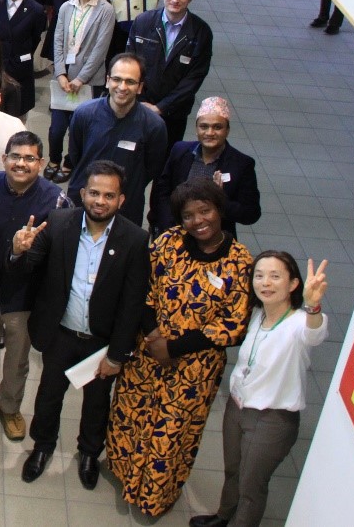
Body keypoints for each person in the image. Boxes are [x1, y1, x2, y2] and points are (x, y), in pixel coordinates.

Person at [106, 179, 254, 517]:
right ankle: (123, 474)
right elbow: (144, 287)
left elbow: (233, 326)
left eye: (205, 211)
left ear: (220, 210)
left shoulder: (240, 261)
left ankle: (153, 497)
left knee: (171, 433)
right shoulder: (168, 242)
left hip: (193, 369)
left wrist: (175, 347)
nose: (198, 221)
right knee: (131, 415)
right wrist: (155, 335)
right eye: (188, 215)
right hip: (148, 351)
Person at [16, 160, 150, 490]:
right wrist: (20, 250)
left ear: (122, 199)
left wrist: (118, 355)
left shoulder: (134, 239)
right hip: (60, 334)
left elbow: (133, 303)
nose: (99, 201)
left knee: (96, 403)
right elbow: (32, 266)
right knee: (48, 397)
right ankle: (42, 446)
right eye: (93, 193)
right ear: (82, 193)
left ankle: (89, 453)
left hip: (101, 343)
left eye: (108, 195)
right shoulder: (59, 222)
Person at [191, 252, 329, 527]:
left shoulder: (298, 324)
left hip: (271, 418)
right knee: (233, 470)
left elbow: (315, 333)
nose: (265, 282)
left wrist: (313, 306)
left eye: (275, 276)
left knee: (251, 486)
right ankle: (224, 515)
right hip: (238, 407)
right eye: (259, 275)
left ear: (292, 284)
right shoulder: (257, 314)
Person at [0, 131, 71, 439]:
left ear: (42, 162)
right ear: (4, 158)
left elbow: (60, 255)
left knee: (17, 358)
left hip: (26, 296)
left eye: (29, 158)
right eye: (15, 157)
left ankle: (9, 407)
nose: (21, 164)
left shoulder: (57, 200)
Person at [65, 52, 169, 227]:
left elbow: (152, 169)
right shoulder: (84, 114)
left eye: (130, 81)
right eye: (117, 79)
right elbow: (76, 156)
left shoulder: (153, 126)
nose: (122, 87)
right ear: (107, 80)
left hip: (126, 208)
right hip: (82, 202)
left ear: (140, 87)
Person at [125, 0, 214, 149]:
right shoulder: (143, 22)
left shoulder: (201, 32)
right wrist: (140, 101)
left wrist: (161, 108)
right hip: (137, 107)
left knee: (165, 164)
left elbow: (194, 78)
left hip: (174, 114)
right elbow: (129, 63)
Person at [151, 96, 262, 237]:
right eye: (204, 126)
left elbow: (251, 214)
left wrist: (220, 200)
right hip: (176, 235)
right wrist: (169, 228)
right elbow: (162, 193)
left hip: (216, 242)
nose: (210, 133)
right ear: (196, 129)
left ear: (227, 130)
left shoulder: (241, 164)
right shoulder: (179, 151)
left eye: (217, 127)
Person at [45, 0, 114, 182]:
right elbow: (57, 41)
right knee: (56, 129)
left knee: (79, 128)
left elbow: (100, 50)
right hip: (63, 79)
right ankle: (53, 159)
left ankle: (69, 162)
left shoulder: (105, 10)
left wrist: (81, 78)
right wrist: (60, 73)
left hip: (88, 81)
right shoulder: (66, 7)